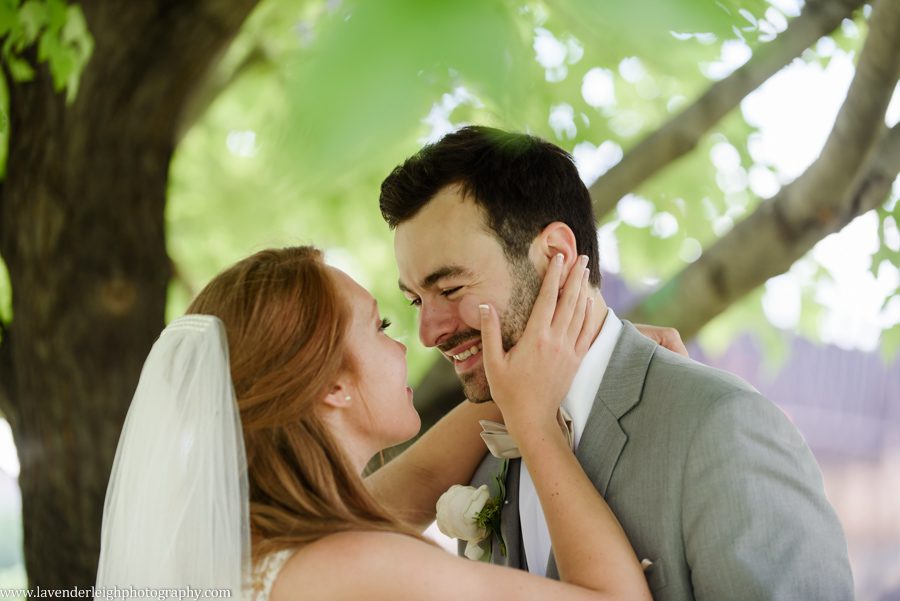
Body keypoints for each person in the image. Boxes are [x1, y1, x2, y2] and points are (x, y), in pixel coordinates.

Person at [379, 125, 855, 601]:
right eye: (417, 300)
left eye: (450, 288)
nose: (428, 333)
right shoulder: (480, 456)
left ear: (557, 256)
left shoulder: (721, 426)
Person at [95, 245, 657, 601]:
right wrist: (533, 420)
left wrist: (573, 362)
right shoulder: (357, 567)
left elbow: (413, 485)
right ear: (333, 385)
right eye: (381, 325)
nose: (411, 343)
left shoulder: (257, 549)